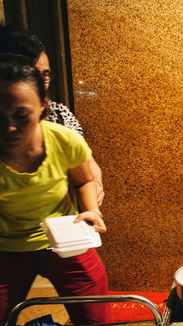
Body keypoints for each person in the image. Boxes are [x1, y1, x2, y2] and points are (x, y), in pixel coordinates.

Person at [0, 57, 113, 326]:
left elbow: (84, 180)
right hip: (6, 245)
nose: (9, 128)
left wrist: (92, 211)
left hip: (65, 236)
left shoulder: (64, 140)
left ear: (42, 108)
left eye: (21, 115)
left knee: (97, 324)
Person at [0, 25, 104, 204]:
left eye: (45, 75)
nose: (42, 85)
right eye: (32, 74)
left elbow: (86, 163)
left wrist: (93, 185)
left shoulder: (59, 114)